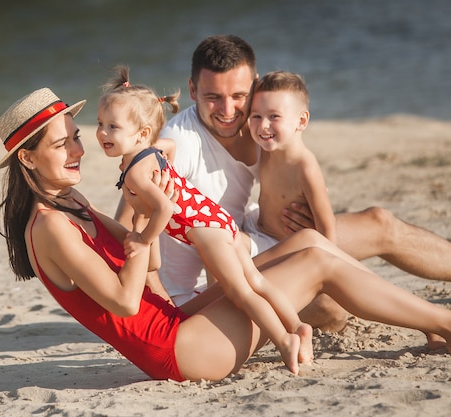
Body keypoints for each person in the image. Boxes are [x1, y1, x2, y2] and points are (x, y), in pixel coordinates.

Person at [0, 87, 451, 382]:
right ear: (29, 159)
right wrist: (140, 239)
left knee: (307, 244)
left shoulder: (73, 201)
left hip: (175, 320)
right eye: (64, 145)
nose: (80, 150)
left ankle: (428, 320)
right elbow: (127, 304)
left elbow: (145, 266)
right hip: (179, 352)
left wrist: (146, 215)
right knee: (319, 264)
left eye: (77, 138)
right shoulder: (52, 227)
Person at [115, 34, 451, 327]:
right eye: (212, 98)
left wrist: (285, 212)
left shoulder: (261, 122)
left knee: (379, 220)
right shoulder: (177, 143)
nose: (228, 110)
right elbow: (126, 218)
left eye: (239, 95)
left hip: (254, 236)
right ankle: (433, 321)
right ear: (191, 91)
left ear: (255, 87)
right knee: (332, 311)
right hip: (211, 283)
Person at [96, 65, 313, 373]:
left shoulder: (136, 169)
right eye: (100, 123)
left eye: (113, 127)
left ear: (142, 133)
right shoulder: (153, 153)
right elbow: (165, 159)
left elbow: (165, 210)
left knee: (240, 291)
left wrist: (143, 239)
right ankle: (297, 325)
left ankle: (284, 340)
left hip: (204, 230)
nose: (103, 133)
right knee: (256, 280)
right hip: (215, 218)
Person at [248, 70, 336, 244]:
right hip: (256, 228)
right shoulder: (267, 149)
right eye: (256, 116)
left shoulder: (304, 167)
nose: (263, 125)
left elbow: (327, 229)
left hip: (281, 243)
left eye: (274, 116)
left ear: (302, 121)